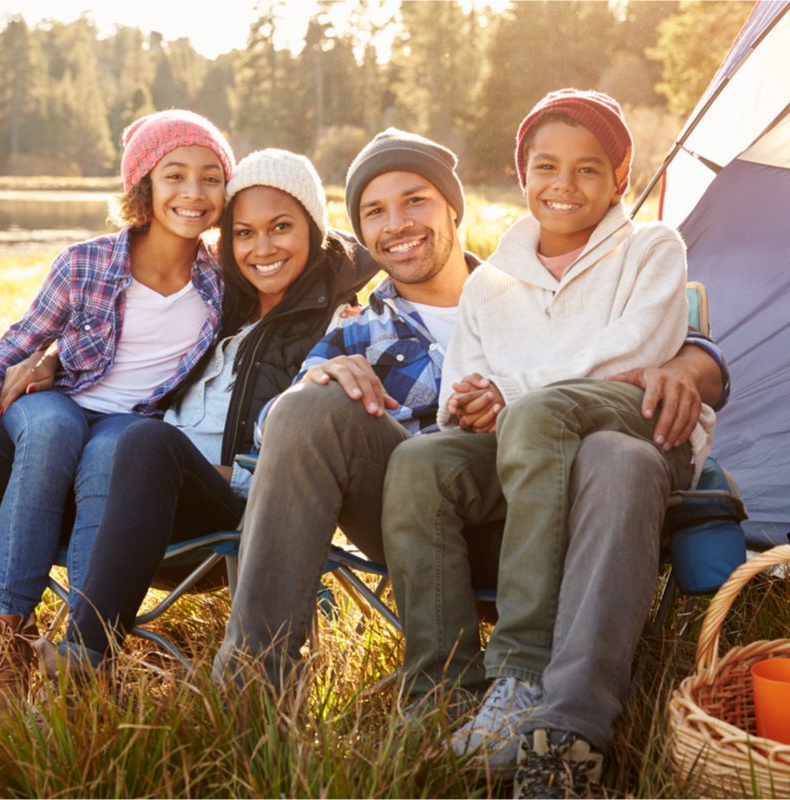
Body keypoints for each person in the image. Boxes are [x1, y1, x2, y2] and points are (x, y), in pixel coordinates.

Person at [212, 127, 727, 719]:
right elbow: (277, 436)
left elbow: (637, 339)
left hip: (571, 515)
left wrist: (696, 360)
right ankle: (255, 684)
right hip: (426, 532)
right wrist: (316, 384)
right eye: (374, 212)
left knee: (611, 451)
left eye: (415, 201)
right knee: (310, 407)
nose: (396, 224)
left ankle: (561, 717)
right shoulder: (355, 329)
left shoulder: (529, 279)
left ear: (452, 208)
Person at [381, 90, 724, 797]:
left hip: (633, 418)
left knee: (548, 420)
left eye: (588, 169)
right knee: (420, 460)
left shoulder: (650, 247)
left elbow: (635, 353)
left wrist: (516, 391)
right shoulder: (493, 280)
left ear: (619, 179)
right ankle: (442, 695)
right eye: (547, 166)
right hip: (527, 441)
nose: (564, 185)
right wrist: (474, 401)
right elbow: (460, 390)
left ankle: (524, 669)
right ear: (523, 173)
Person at [0, 109, 234, 705]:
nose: (194, 192)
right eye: (175, 175)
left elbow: (307, 243)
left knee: (114, 449)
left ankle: (85, 653)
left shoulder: (221, 283)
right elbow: (22, 338)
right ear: (145, 186)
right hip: (54, 406)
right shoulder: (87, 262)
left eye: (211, 177)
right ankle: (1, 638)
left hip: (133, 431)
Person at [53, 149, 375, 670]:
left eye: (281, 228)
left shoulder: (341, 322)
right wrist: (46, 361)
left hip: (238, 513)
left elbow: (313, 459)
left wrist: (208, 470)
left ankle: (85, 656)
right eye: (243, 233)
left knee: (145, 441)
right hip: (140, 496)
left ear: (314, 229)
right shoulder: (219, 301)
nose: (261, 248)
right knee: (7, 439)